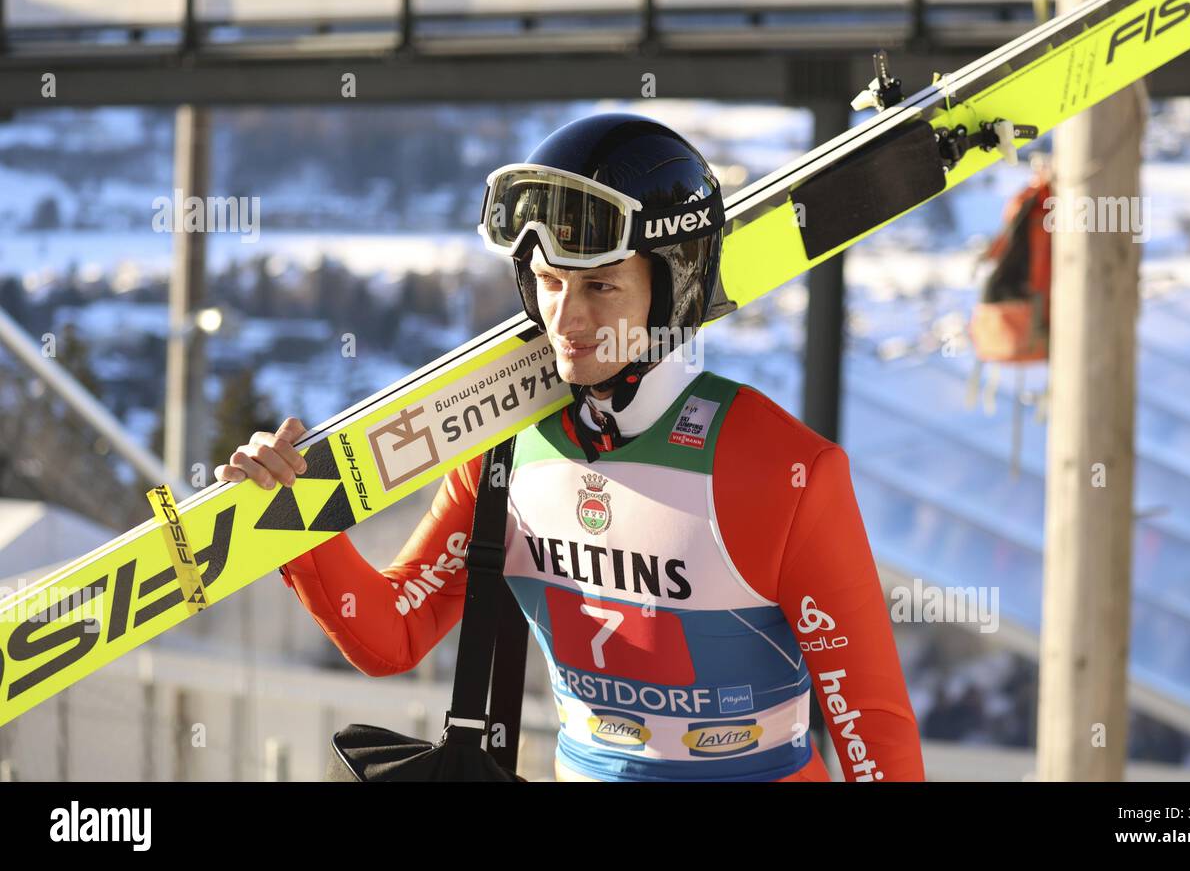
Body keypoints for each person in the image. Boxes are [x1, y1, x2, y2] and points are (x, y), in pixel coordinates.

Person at [216, 112, 925, 782]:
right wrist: (297, 523)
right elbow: (392, 636)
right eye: (550, 284)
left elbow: (872, 728)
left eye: (601, 286)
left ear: (673, 290)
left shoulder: (787, 471)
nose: (567, 318)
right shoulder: (504, 452)